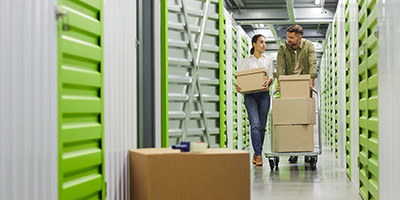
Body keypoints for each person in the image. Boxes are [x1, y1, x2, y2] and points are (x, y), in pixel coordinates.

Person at [276, 25, 317, 163]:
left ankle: (306, 149)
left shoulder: (309, 46)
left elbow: (312, 64)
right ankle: (293, 150)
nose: (288, 40)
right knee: (290, 119)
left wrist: (310, 83)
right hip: (289, 84)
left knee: (306, 119)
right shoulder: (283, 48)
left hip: (304, 83)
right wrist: (280, 84)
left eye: (291, 37)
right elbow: (280, 67)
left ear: (299, 38)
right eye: (288, 37)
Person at [236, 34, 274, 166]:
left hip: (264, 95)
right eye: (261, 42)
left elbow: (270, 77)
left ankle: (257, 151)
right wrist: (239, 86)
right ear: (254, 44)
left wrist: (269, 81)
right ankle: (258, 154)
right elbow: (242, 79)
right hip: (250, 96)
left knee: (262, 127)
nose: (264, 45)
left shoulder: (268, 60)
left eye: (265, 42)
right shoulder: (246, 61)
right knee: (255, 125)